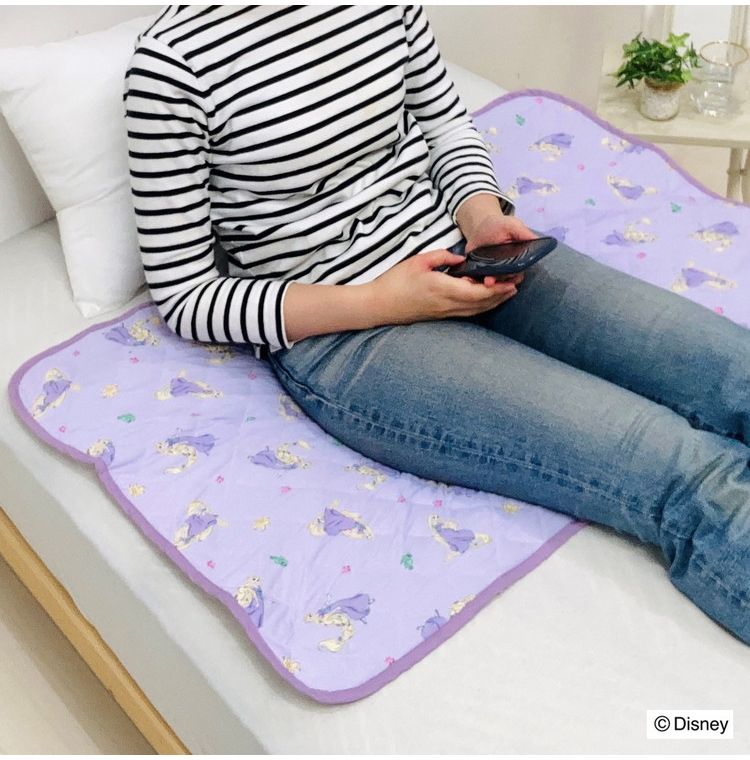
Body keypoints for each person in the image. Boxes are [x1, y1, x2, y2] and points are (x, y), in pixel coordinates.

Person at [123, 4, 750, 645]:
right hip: (351, 331)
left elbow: (446, 127)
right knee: (693, 475)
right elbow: (185, 295)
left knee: (738, 371)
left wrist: (482, 218)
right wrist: (383, 302)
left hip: (468, 259)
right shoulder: (172, 68)